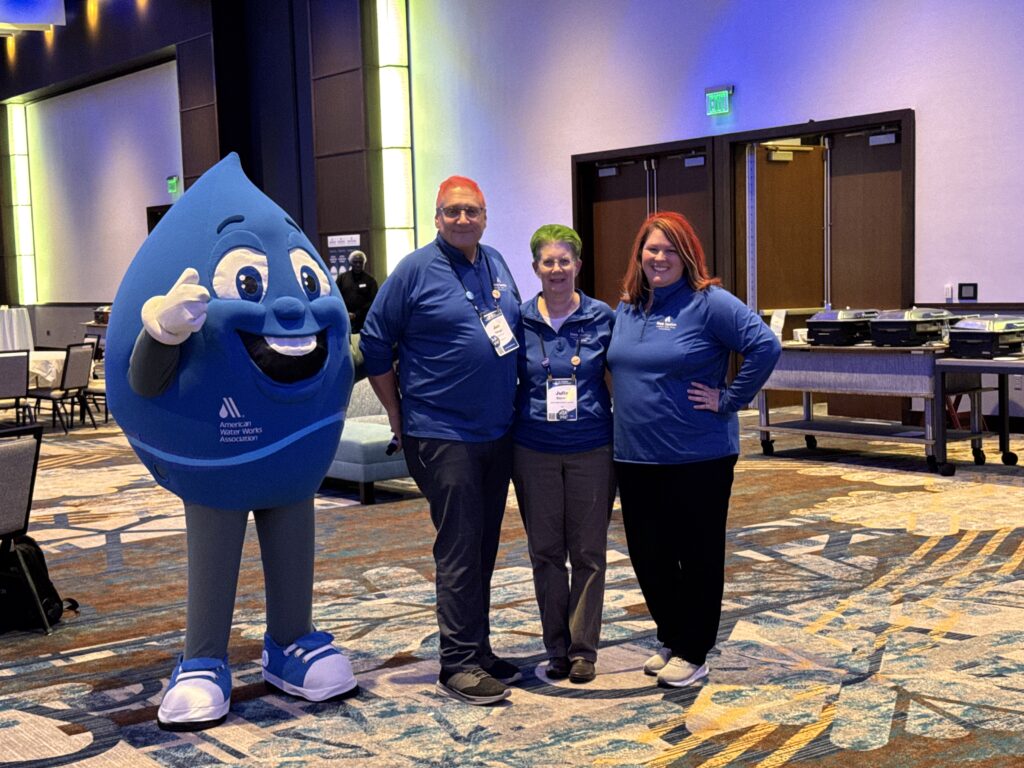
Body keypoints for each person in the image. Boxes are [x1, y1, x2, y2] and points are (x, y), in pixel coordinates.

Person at [106, 154, 357, 730]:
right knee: (215, 547)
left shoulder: (313, 317)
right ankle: (203, 659)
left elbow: (346, 357)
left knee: (294, 538)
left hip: (293, 462)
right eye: (249, 281)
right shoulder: (185, 310)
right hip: (217, 454)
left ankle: (292, 640)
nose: (293, 303)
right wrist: (162, 331)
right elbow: (143, 380)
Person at [359, 176, 522, 705]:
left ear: (484, 216)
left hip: (497, 432)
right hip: (441, 432)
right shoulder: (414, 271)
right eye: (451, 212)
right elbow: (376, 343)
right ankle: (457, 663)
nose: (462, 220)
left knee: (484, 544)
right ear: (436, 218)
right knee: (458, 545)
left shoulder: (495, 262)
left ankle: (478, 648)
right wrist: (394, 411)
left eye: (471, 211)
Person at [606, 211, 780, 689]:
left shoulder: (709, 303)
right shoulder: (627, 307)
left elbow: (765, 345)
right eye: (651, 249)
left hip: (698, 455)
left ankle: (694, 648)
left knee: (697, 552)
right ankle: (672, 636)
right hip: (635, 455)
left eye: (670, 250)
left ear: (687, 257)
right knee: (648, 553)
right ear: (638, 255)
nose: (659, 258)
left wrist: (730, 399)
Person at [511, 224, 615, 684]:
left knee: (589, 550)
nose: (556, 269)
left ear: (578, 266)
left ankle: (583, 650)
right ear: (535, 268)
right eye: (547, 262)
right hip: (533, 449)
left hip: (592, 447)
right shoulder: (516, 319)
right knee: (546, 552)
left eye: (564, 261)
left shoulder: (603, 317)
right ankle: (556, 647)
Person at [336, 250, 378, 333]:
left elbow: (373, 301)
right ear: (351, 263)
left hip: (363, 322)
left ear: (364, 263)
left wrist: (356, 314)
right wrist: (345, 312)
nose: (358, 265)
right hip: (344, 318)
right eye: (355, 262)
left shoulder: (370, 280)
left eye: (360, 262)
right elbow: (336, 297)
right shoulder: (342, 278)